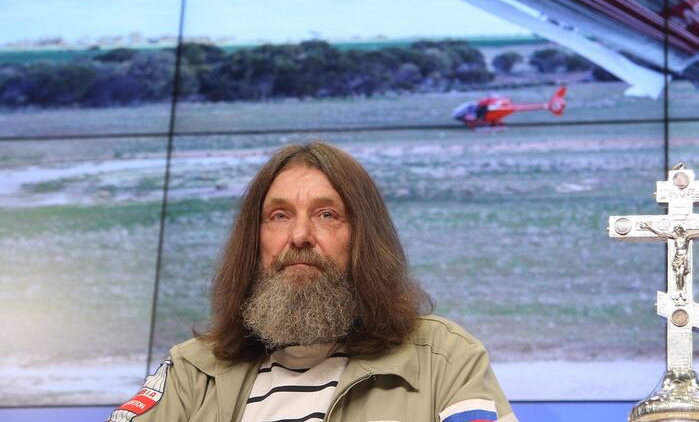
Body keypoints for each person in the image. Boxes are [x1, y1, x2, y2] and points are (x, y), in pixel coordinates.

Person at [108, 142, 517, 422]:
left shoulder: (444, 359)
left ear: (364, 239)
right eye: (279, 216)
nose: (299, 236)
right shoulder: (193, 369)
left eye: (327, 214)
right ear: (255, 241)